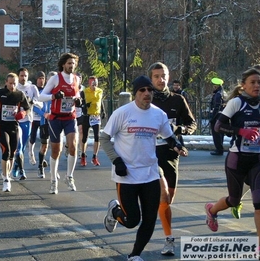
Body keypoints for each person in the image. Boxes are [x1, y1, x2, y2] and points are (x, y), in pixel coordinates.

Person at [100, 75, 188, 261]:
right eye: (142, 90)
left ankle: (135, 255)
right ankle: (114, 211)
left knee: (149, 220)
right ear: (135, 94)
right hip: (127, 175)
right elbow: (105, 138)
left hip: (150, 174)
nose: (147, 93)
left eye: (150, 90)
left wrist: (177, 146)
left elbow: (168, 136)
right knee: (132, 220)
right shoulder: (122, 113)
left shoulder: (158, 114)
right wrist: (117, 161)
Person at [204, 68, 260, 248]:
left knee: (259, 204)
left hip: (257, 160)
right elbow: (218, 126)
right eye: (253, 82)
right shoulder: (237, 103)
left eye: (259, 82)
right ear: (243, 85)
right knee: (234, 200)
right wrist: (241, 131)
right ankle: (212, 210)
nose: (257, 85)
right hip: (237, 159)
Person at [147, 62, 197, 256]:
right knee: (163, 195)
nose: (161, 79)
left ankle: (127, 211)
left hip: (172, 154)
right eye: (157, 76)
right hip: (151, 155)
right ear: (151, 79)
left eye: (164, 75)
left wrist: (180, 130)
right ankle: (169, 240)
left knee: (167, 201)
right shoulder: (147, 100)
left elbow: (191, 123)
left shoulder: (178, 100)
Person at [38, 53, 82, 194]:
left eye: (73, 63)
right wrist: (54, 96)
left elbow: (77, 95)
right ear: (63, 64)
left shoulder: (76, 79)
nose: (71, 65)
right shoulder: (56, 78)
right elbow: (41, 96)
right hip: (56, 118)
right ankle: (53, 180)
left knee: (73, 146)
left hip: (70, 117)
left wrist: (78, 101)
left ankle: (69, 176)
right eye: (69, 63)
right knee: (56, 150)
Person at [0, 73, 30, 192]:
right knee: (5, 150)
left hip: (14, 126)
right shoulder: (0, 92)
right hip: (2, 126)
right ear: (6, 82)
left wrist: (23, 113)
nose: (12, 86)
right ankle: (6, 179)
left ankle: (8, 174)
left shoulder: (19, 94)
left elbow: (27, 108)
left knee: (13, 153)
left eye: (14, 83)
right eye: (10, 83)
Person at [12, 68, 39, 180]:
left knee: (22, 147)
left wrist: (31, 102)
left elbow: (39, 100)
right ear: (18, 77)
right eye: (21, 75)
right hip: (16, 120)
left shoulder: (32, 88)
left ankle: (17, 165)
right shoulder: (15, 87)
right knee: (18, 146)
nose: (23, 78)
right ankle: (21, 170)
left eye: (25, 76)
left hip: (27, 119)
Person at [80, 76, 106, 166]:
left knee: (97, 136)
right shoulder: (84, 91)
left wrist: (103, 111)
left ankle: (95, 157)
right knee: (85, 137)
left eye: (96, 84)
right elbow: (80, 103)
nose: (94, 86)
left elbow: (100, 101)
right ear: (89, 84)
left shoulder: (100, 91)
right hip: (87, 116)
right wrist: (84, 106)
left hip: (96, 116)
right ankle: (83, 155)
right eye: (93, 84)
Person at [28, 71, 46, 167]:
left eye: (43, 78)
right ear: (37, 79)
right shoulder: (33, 89)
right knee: (33, 137)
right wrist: (42, 112)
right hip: (34, 117)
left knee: (44, 139)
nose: (41, 80)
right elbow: (33, 105)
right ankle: (31, 154)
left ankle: (41, 157)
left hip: (43, 119)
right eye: (39, 78)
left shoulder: (46, 90)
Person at [209, 77, 226, 155]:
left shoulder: (218, 94)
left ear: (217, 86)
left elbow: (217, 106)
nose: (213, 87)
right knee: (220, 133)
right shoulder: (223, 93)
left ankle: (219, 149)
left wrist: (213, 117)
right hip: (222, 116)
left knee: (216, 133)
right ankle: (220, 148)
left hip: (216, 116)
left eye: (214, 86)